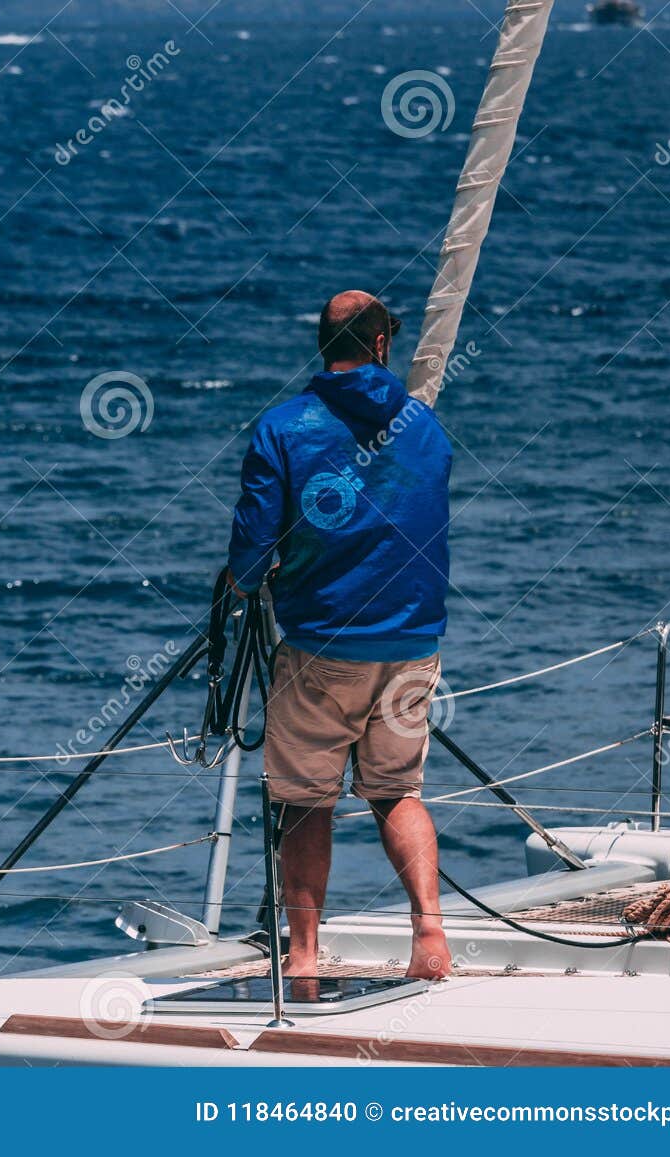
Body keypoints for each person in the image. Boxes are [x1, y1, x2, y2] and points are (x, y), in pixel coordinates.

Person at [226, 289, 453, 982]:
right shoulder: (425, 427)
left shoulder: (283, 427)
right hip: (413, 643)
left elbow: (250, 551)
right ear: (383, 345)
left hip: (323, 646)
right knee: (395, 792)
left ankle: (301, 954)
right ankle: (430, 936)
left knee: (304, 800)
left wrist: (251, 578)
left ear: (323, 346)